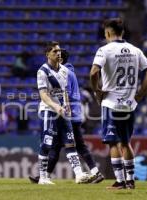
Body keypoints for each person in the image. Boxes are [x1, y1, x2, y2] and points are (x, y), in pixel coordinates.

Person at [90, 18, 147, 189]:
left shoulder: (104, 50)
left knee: (113, 143)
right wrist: (140, 94)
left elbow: (93, 73)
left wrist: (97, 91)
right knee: (126, 143)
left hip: (111, 103)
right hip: (129, 104)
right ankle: (131, 181)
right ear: (123, 32)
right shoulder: (135, 50)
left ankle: (120, 181)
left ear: (108, 33)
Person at [29, 49, 104, 184]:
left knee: (72, 145)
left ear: (61, 60)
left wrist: (61, 107)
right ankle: (45, 175)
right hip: (72, 112)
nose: (57, 57)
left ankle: (94, 172)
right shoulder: (71, 72)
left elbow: (64, 93)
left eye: (59, 55)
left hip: (67, 113)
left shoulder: (65, 73)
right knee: (59, 147)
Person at [35, 41, 90, 185]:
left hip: (63, 112)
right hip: (48, 111)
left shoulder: (65, 70)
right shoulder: (43, 71)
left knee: (70, 143)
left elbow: (64, 91)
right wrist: (55, 106)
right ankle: (42, 177)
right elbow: (43, 94)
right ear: (47, 54)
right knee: (47, 144)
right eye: (54, 51)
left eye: (59, 51)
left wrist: (66, 106)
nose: (58, 53)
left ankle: (79, 175)